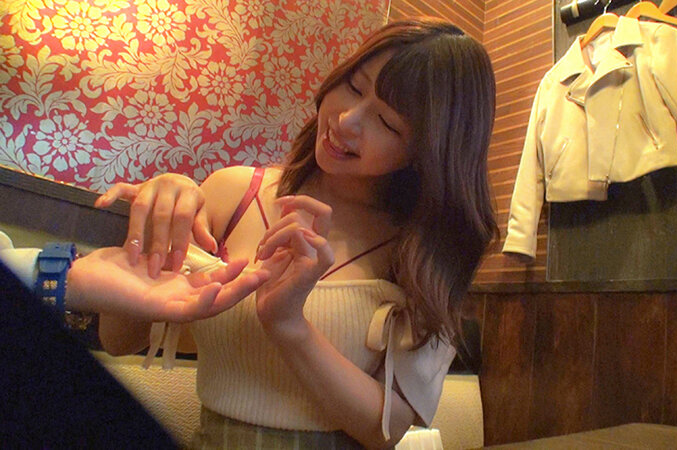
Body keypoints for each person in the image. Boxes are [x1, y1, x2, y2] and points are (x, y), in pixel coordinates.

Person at [80, 17, 497, 448]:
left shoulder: (421, 250)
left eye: (388, 123)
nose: (347, 120)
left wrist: (289, 326)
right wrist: (154, 236)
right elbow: (118, 340)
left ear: (426, 150)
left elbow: (386, 431)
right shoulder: (232, 194)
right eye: (354, 87)